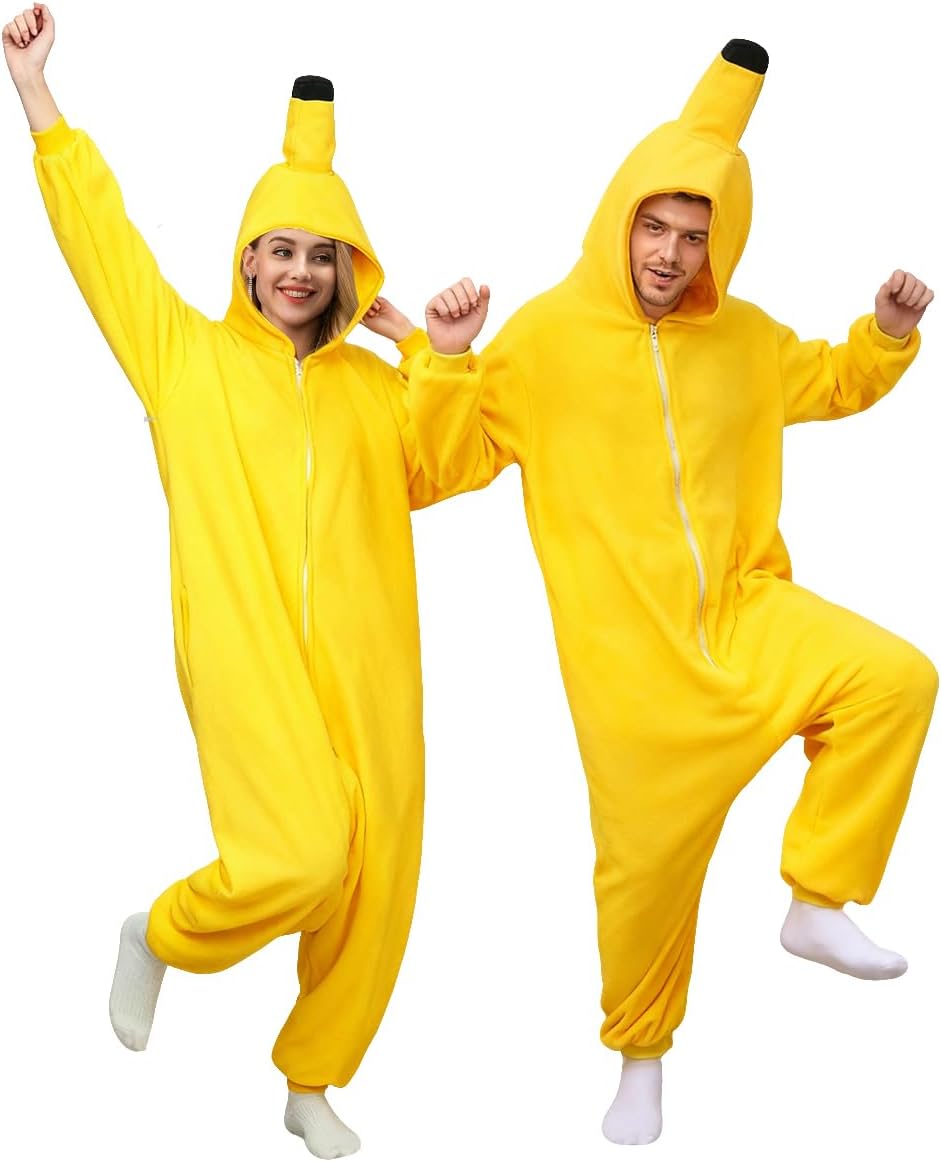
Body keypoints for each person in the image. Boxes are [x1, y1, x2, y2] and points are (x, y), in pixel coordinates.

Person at [408, 39, 937, 1145]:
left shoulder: (743, 338)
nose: (670, 252)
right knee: (645, 880)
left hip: (747, 612)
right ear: (621, 220)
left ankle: (817, 899)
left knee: (894, 678)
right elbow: (440, 469)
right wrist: (447, 357)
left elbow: (833, 382)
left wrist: (887, 336)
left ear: (720, 242)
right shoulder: (544, 340)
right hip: (632, 671)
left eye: (696, 236)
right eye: (655, 227)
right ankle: (640, 1056)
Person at [3, 6, 479, 1157]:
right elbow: (104, 242)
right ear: (248, 260)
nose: (301, 272)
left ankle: (310, 1079)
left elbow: (449, 465)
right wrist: (37, 94)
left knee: (377, 878)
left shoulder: (374, 390)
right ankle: (163, 932)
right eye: (282, 250)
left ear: (350, 269)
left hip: (372, 670)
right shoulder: (188, 360)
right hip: (245, 653)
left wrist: (435, 353)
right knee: (301, 857)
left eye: (324, 254)